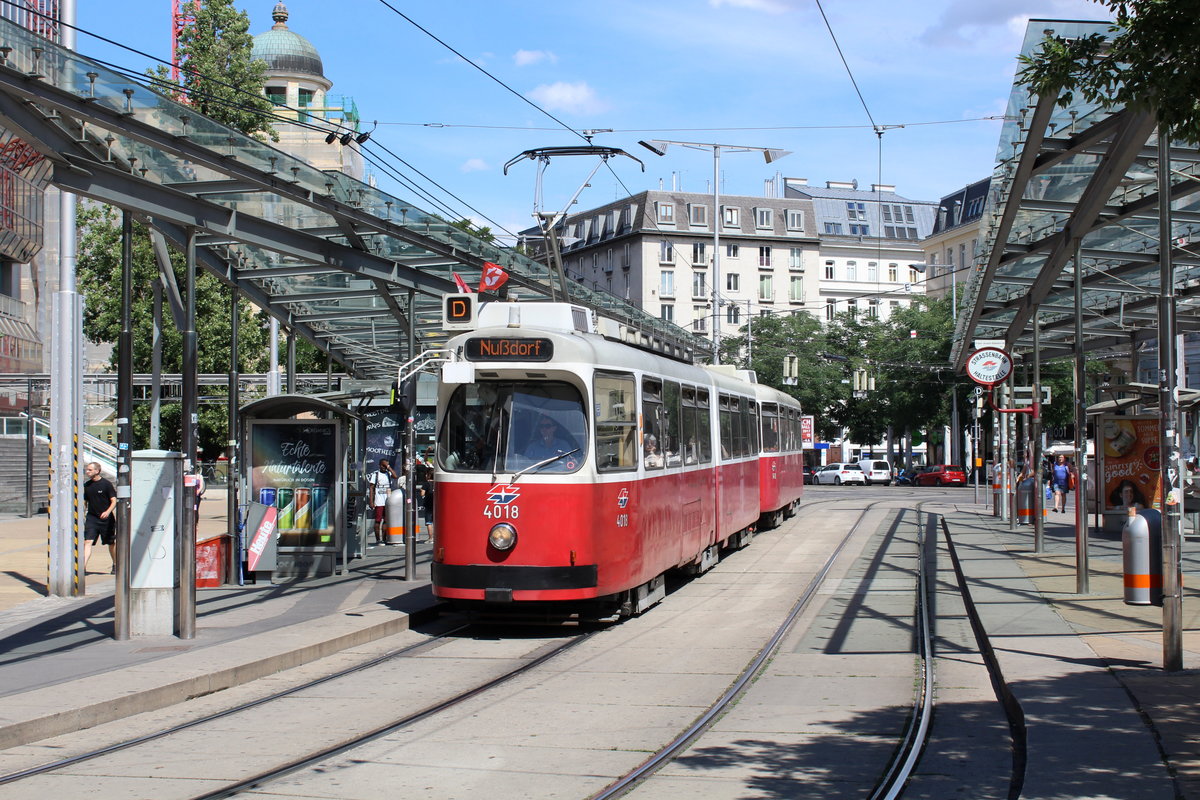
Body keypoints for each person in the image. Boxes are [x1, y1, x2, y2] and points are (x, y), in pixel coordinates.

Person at [83, 462, 117, 574]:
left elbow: (113, 500)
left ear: (97, 471)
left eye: (90, 470)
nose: (87, 472)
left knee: (110, 542)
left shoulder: (106, 484)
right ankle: (82, 567)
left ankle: (115, 564)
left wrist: (108, 512)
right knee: (87, 541)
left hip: (106, 520)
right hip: (92, 518)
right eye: (87, 469)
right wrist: (83, 512)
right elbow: (85, 501)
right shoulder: (87, 485)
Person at [366, 459, 397, 544]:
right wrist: (371, 501)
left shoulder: (388, 473)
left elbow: (395, 476)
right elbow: (371, 488)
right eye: (383, 465)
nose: (384, 467)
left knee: (386, 520)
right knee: (378, 520)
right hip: (379, 501)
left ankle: (384, 538)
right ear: (379, 465)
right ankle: (378, 539)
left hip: (388, 501)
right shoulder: (375, 475)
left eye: (385, 465)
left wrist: (388, 467)